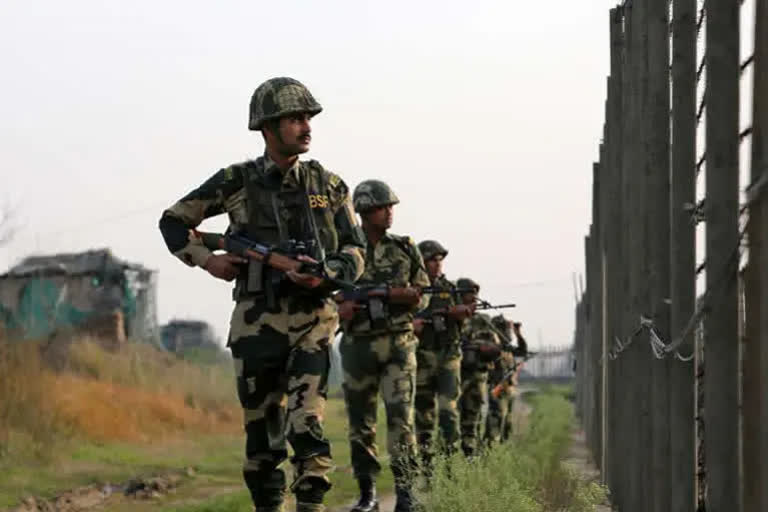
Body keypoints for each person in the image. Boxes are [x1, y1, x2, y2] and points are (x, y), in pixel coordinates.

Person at [158, 77, 366, 512]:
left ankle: (311, 506)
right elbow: (174, 221)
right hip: (256, 324)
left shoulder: (329, 186)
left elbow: (355, 249)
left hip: (314, 319)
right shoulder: (236, 181)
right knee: (262, 440)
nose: (305, 125)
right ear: (267, 127)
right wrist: (207, 259)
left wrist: (328, 272)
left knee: (306, 424)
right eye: (295, 118)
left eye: (308, 117)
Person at [337, 180, 430, 512]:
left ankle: (406, 494)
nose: (390, 212)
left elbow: (422, 296)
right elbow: (323, 290)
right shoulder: (344, 250)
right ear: (363, 210)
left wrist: (392, 295)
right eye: (382, 207)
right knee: (360, 422)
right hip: (357, 344)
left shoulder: (405, 248)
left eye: (391, 207)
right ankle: (368, 493)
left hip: (398, 344)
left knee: (401, 421)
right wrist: (340, 307)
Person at [413, 241, 473, 474]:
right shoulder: (411, 288)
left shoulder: (450, 289)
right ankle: (427, 467)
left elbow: (465, 316)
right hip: (421, 356)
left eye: (440, 260)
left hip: (448, 355)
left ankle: (450, 465)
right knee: (423, 415)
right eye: (431, 260)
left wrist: (459, 313)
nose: (437, 265)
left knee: (448, 410)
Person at [455, 278, 500, 457]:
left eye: (475, 293)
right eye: (468, 293)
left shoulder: (483, 320)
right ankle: (448, 454)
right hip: (454, 374)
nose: (473, 297)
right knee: (449, 415)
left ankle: (470, 453)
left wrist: (481, 346)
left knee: (472, 416)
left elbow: (497, 348)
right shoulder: (452, 316)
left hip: (477, 375)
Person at [485, 316, 526, 444]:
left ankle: (502, 443)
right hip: (497, 387)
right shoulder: (492, 347)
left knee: (507, 420)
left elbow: (522, 351)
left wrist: (518, 334)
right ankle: (490, 445)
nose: (508, 332)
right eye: (505, 329)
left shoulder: (508, 348)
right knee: (496, 417)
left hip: (509, 388)